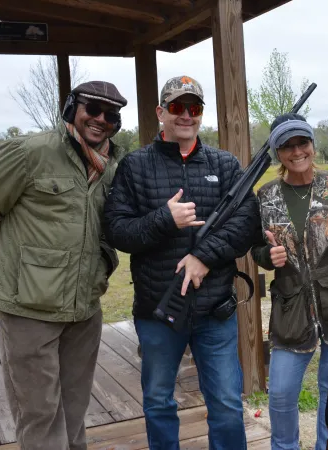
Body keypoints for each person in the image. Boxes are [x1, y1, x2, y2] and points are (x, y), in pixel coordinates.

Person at [0, 81, 128, 450]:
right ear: (71, 108)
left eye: (111, 114)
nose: (101, 119)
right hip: (29, 309)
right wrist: (25, 261)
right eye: (92, 109)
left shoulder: (111, 166)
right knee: (39, 415)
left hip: (84, 307)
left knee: (74, 409)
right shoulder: (28, 151)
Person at [103, 75, 259, 450]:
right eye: (177, 107)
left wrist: (204, 256)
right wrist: (164, 219)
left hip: (214, 309)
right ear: (161, 112)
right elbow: (117, 231)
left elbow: (246, 223)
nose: (186, 115)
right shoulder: (135, 166)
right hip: (158, 308)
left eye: (194, 107)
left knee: (226, 404)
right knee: (159, 402)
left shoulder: (224, 164)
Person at [251, 113, 328, 450]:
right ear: (277, 152)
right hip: (291, 308)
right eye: (287, 146)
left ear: (312, 145)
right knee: (280, 394)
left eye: (302, 142)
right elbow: (256, 248)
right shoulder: (266, 195)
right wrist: (267, 257)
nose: (297, 152)